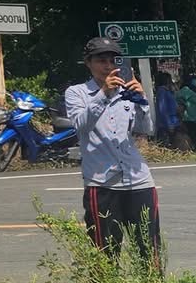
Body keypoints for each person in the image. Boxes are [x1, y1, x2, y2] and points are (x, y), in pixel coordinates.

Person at [64, 36, 161, 264]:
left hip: (138, 180)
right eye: (101, 61)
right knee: (104, 251)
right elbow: (81, 124)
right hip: (102, 182)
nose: (108, 66)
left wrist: (142, 100)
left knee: (149, 248)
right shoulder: (77, 93)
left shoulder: (125, 91)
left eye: (112, 61)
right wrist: (104, 94)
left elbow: (146, 129)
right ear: (88, 63)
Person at [152, 70, 181, 146]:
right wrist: (169, 124)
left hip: (174, 122)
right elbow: (162, 110)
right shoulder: (162, 91)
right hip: (167, 125)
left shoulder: (167, 91)